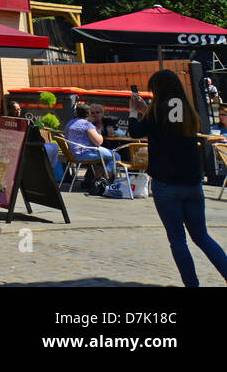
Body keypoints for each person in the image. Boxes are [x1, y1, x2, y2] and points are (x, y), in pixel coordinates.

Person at [130, 71, 227, 287]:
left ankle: (192, 284)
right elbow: (171, 128)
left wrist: (133, 111)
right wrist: (147, 111)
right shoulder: (185, 110)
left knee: (177, 239)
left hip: (167, 184)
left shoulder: (158, 111)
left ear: (158, 89)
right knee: (202, 237)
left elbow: (135, 131)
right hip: (192, 183)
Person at [63, 102, 116, 185]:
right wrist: (99, 132)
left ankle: (100, 174)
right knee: (116, 155)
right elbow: (99, 142)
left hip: (72, 154)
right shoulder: (87, 125)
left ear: (76, 113)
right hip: (84, 153)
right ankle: (105, 177)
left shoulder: (69, 123)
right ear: (88, 114)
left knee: (105, 156)